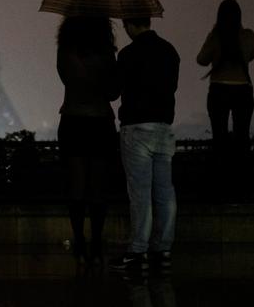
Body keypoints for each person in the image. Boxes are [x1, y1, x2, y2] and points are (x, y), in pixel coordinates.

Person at [109, 17, 179, 273]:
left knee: (140, 193)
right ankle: (163, 248)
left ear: (129, 25)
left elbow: (113, 91)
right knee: (164, 192)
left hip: (137, 127)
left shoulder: (128, 54)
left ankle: (138, 251)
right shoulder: (170, 51)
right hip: (163, 127)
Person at [54, 16, 120, 265]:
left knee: (77, 184)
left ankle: (79, 238)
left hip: (72, 120)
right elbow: (113, 92)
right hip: (100, 121)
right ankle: (96, 240)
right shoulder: (105, 53)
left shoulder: (65, 52)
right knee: (98, 186)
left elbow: (66, 80)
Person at [196, 0, 254, 195]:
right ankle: (243, 184)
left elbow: (201, 59)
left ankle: (220, 185)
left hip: (219, 89)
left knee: (219, 138)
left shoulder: (216, 37)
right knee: (242, 137)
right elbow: (252, 55)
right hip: (243, 89)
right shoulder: (248, 36)